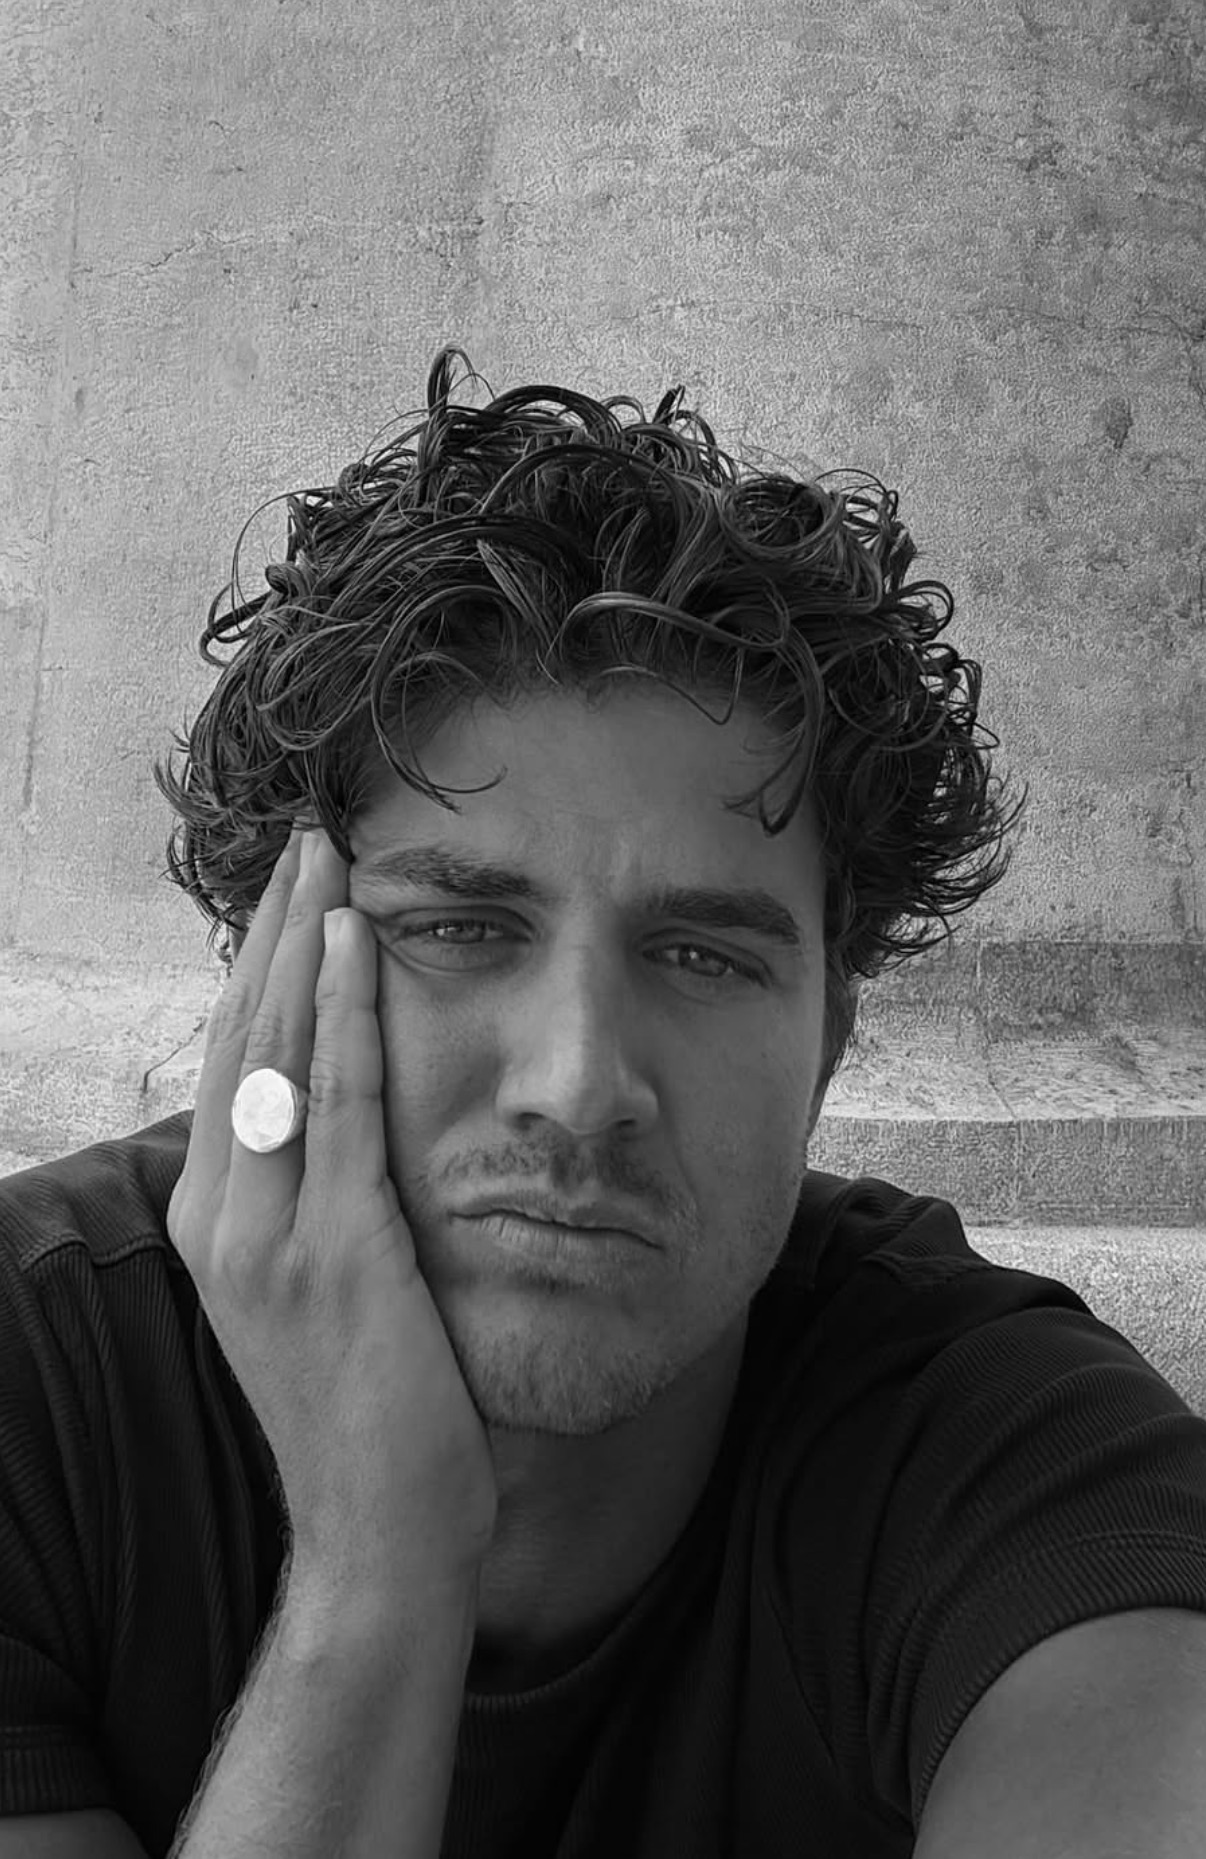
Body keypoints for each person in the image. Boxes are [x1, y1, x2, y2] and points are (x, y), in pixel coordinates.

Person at [1, 345, 1205, 1859]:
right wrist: (380, 1576)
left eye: (700, 955)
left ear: (827, 1035)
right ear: (268, 986)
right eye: (460, 928)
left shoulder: (1005, 1462)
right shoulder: (34, 1400)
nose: (577, 1089)